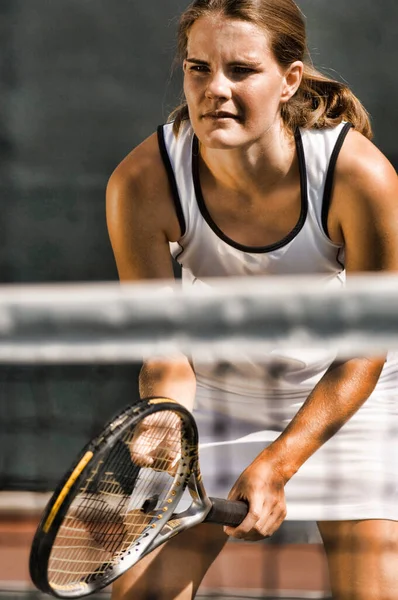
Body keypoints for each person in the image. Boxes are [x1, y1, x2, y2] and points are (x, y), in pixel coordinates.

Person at [106, 0, 398, 598]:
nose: (215, 90)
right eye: (198, 69)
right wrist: (167, 424)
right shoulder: (141, 183)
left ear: (289, 79)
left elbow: (364, 355)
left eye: (241, 71)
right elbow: (166, 356)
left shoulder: (359, 177)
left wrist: (278, 463)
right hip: (214, 396)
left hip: (347, 396)